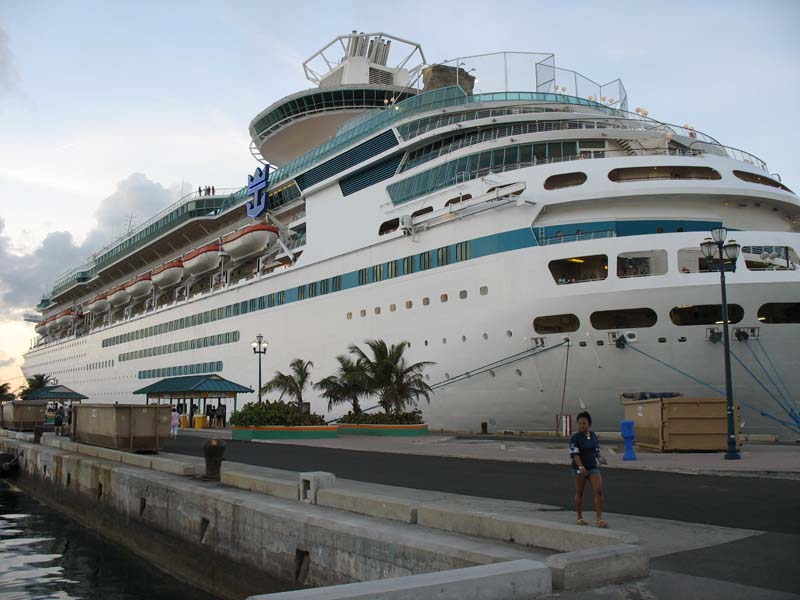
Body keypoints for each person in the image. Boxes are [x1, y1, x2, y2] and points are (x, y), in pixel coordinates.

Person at [569, 411, 608, 528]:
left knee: (598, 491)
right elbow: (575, 454)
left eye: (584, 423)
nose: (581, 425)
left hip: (592, 468)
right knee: (580, 492)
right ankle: (579, 517)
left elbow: (596, 450)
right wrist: (581, 467)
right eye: (579, 423)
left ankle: (599, 519)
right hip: (579, 469)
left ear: (589, 424)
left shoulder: (593, 435)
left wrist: (600, 458)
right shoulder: (575, 438)